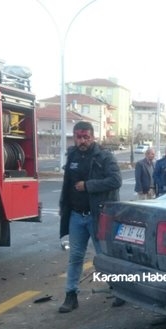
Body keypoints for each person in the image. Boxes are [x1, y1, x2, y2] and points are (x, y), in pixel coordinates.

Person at [58, 121, 122, 313]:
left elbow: (115, 180)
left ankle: (119, 290)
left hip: (99, 216)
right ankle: (71, 295)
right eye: (79, 137)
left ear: (93, 137)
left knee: (104, 256)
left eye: (86, 137)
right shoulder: (72, 157)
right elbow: (67, 186)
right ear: (75, 137)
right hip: (76, 217)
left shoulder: (104, 157)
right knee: (75, 257)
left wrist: (88, 185)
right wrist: (64, 208)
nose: (83, 140)